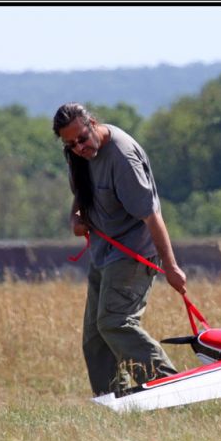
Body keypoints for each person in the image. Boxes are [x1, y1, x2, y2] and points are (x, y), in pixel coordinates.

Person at [52, 102, 186, 397]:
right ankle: (113, 403)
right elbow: (82, 192)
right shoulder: (78, 153)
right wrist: (77, 216)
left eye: (82, 139)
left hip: (134, 254)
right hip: (103, 253)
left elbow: (152, 216)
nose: (78, 147)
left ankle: (172, 391)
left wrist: (171, 267)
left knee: (114, 322)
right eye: (70, 144)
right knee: (94, 337)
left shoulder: (123, 158)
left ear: (93, 123)